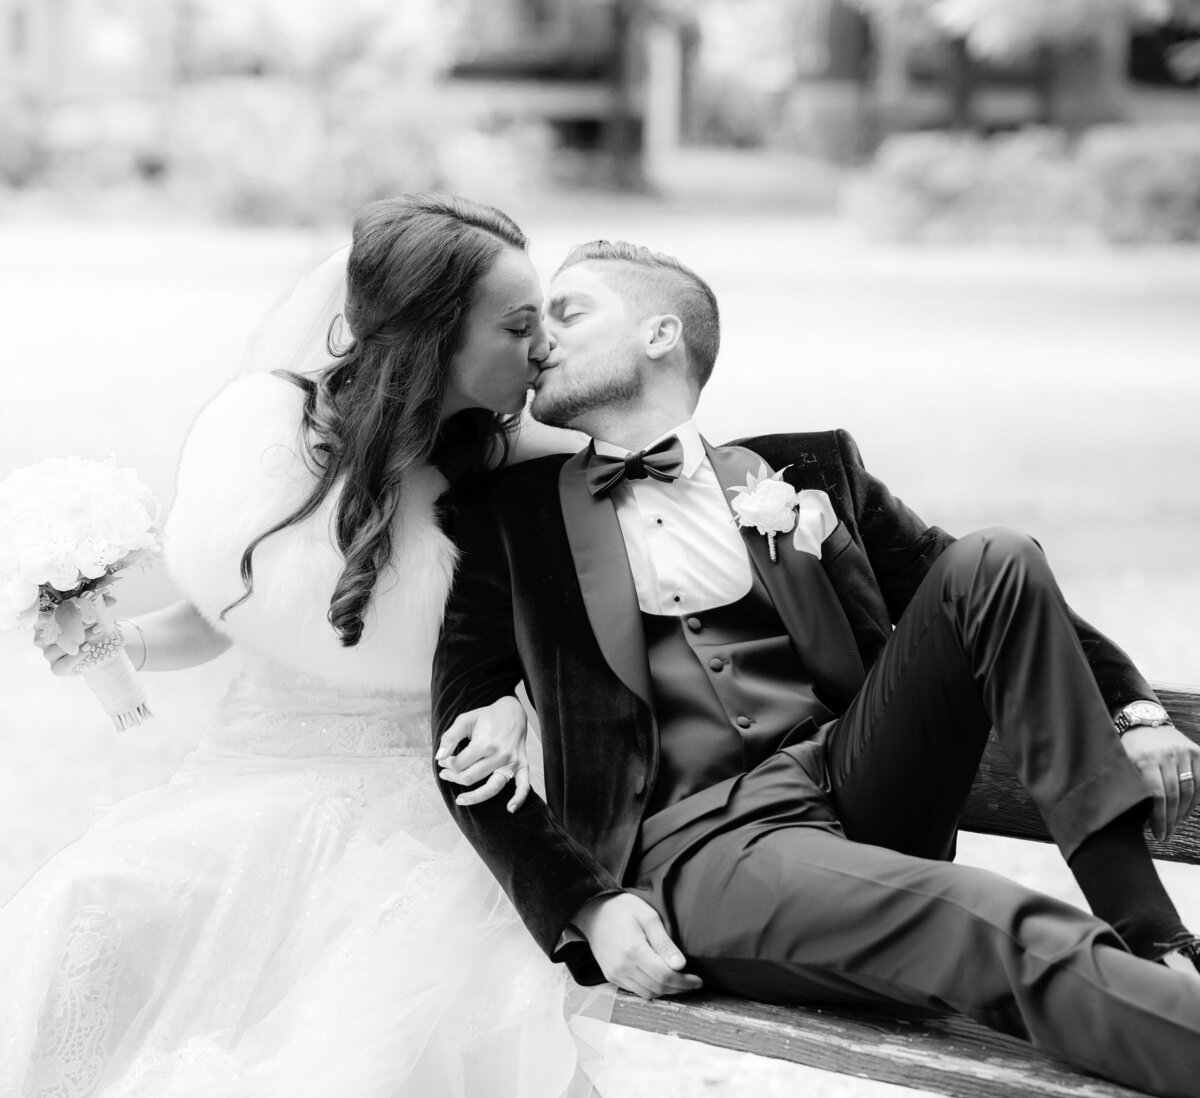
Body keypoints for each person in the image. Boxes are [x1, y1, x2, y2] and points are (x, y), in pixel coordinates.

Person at [432, 239, 1200, 1098]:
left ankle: (1156, 937)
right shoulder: (511, 520)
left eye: (569, 314)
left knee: (997, 555)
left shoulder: (810, 470)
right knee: (986, 918)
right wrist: (585, 906)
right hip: (705, 848)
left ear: (659, 334)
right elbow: (463, 759)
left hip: (857, 778)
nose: (542, 343)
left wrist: (1135, 708)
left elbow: (997, 594)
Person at [4, 195, 607, 1098]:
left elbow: (560, 652)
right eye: (517, 326)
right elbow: (223, 617)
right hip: (253, 776)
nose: (543, 349)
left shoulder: (523, 468)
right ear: (431, 335)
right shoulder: (269, 437)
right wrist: (111, 641)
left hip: (422, 801)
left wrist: (516, 709)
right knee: (91, 900)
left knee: (384, 989)